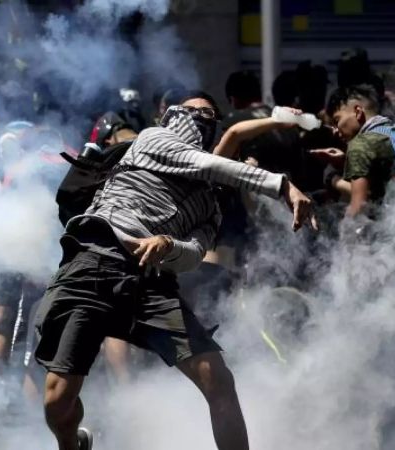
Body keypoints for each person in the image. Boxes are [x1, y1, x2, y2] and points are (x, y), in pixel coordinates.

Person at [34, 91, 315, 450]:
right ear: (172, 115)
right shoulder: (154, 139)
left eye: (209, 116)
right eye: (193, 111)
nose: (199, 118)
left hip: (149, 284)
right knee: (58, 402)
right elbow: (215, 160)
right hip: (93, 261)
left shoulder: (209, 207)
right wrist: (282, 185)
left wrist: (168, 245)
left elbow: (195, 253)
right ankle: (71, 444)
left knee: (219, 380)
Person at [314, 84, 395, 218]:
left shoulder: (359, 146)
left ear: (358, 112)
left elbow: (359, 207)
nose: (335, 131)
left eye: (337, 120)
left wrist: (348, 231)